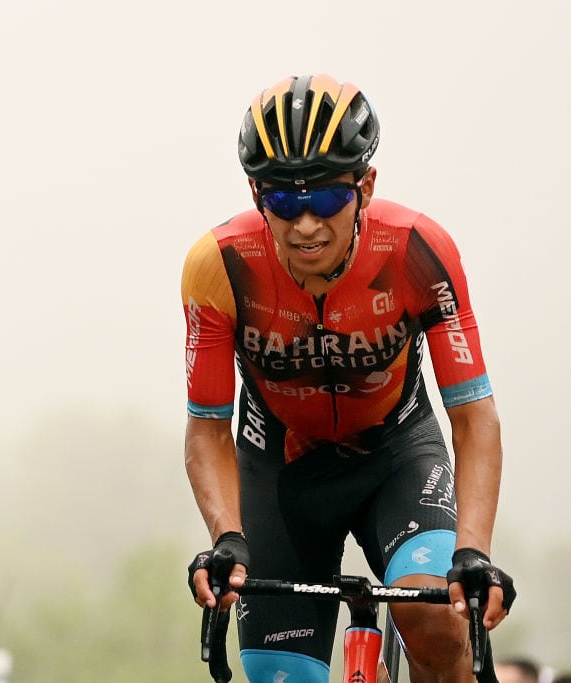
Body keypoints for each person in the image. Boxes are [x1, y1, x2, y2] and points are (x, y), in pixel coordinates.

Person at [181, 74, 516, 683]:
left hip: (397, 457)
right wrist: (227, 535)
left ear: (365, 186)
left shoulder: (418, 249)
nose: (305, 224)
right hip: (279, 471)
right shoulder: (220, 265)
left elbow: (473, 417)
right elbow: (207, 429)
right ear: (257, 193)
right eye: (283, 201)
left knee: (440, 624)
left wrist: (473, 550)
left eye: (327, 199)